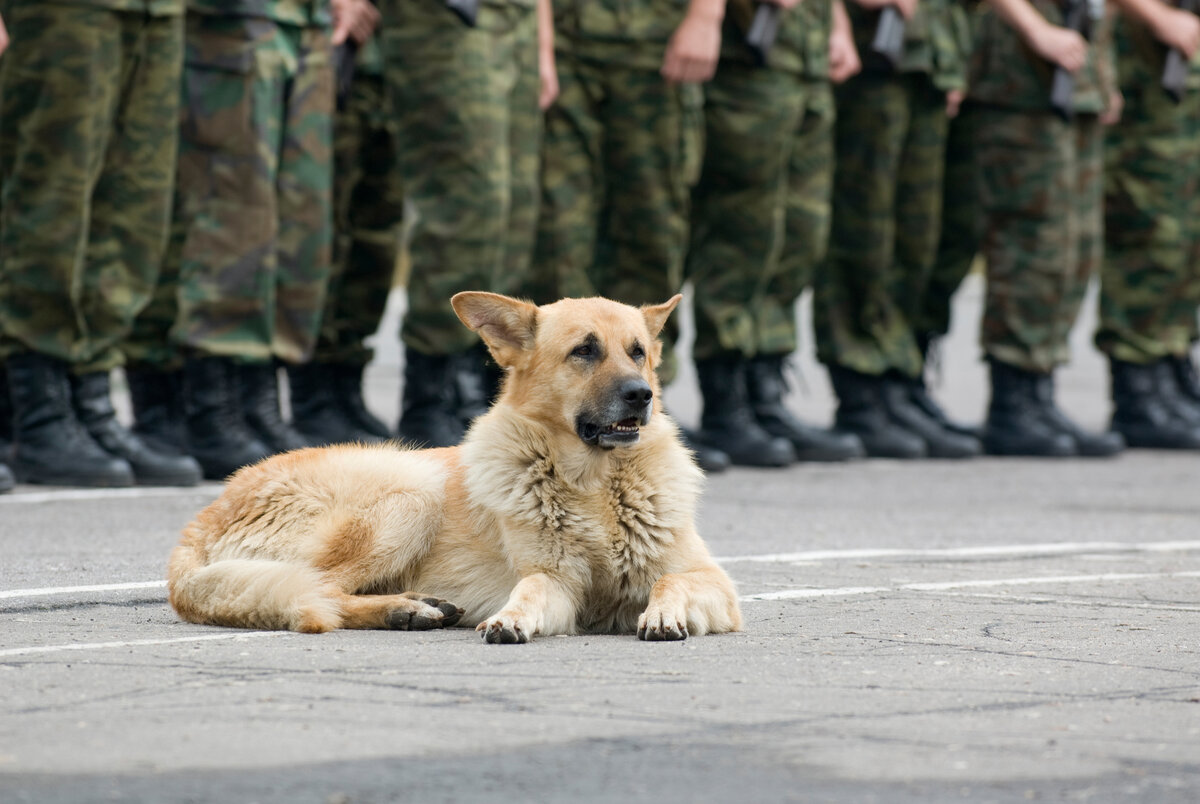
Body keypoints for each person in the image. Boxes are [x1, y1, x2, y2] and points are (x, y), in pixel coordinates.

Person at [165, 0, 373, 480]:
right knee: (237, 211)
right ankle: (215, 409)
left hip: (303, 17)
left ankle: (258, 402)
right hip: (239, 16)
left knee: (298, 222)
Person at [0, 0, 202, 487]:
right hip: (65, 12)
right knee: (52, 199)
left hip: (157, 12)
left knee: (131, 211)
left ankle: (89, 399)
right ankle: (37, 409)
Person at [527, 0, 729, 468]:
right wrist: (539, 48)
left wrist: (706, 16)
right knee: (560, 230)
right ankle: (559, 411)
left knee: (652, 228)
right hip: (565, 41)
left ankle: (645, 403)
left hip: (654, 45)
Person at [685, 0, 866, 466]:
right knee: (742, 233)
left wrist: (836, 23)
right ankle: (727, 401)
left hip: (802, 58)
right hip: (750, 63)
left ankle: (765, 393)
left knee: (798, 235)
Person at [378, 0, 553, 448]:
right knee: (468, 204)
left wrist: (542, 45)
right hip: (447, 16)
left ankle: (479, 386)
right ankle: (432, 394)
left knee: (514, 210)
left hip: (516, 20)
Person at [813, 0, 980, 459]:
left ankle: (897, 380)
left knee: (914, 237)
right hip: (875, 56)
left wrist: (948, 61)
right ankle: (862, 389)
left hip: (926, 56)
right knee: (863, 232)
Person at [968, 0, 1124, 457]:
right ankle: (1013, 399)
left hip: (1075, 78)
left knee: (1074, 243)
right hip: (1021, 80)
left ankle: (1039, 389)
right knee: (1033, 239)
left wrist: (1102, 74)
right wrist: (1034, 27)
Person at [288, 0, 396, 446]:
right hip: (339, 46)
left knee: (375, 235)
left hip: (392, 56)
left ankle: (343, 387)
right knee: (325, 227)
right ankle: (312, 394)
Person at [1094, 0, 1200, 449]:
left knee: (1186, 234)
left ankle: (1168, 363)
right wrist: (1156, 16)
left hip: (1181, 64)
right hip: (1146, 64)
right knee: (1149, 225)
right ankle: (1137, 386)